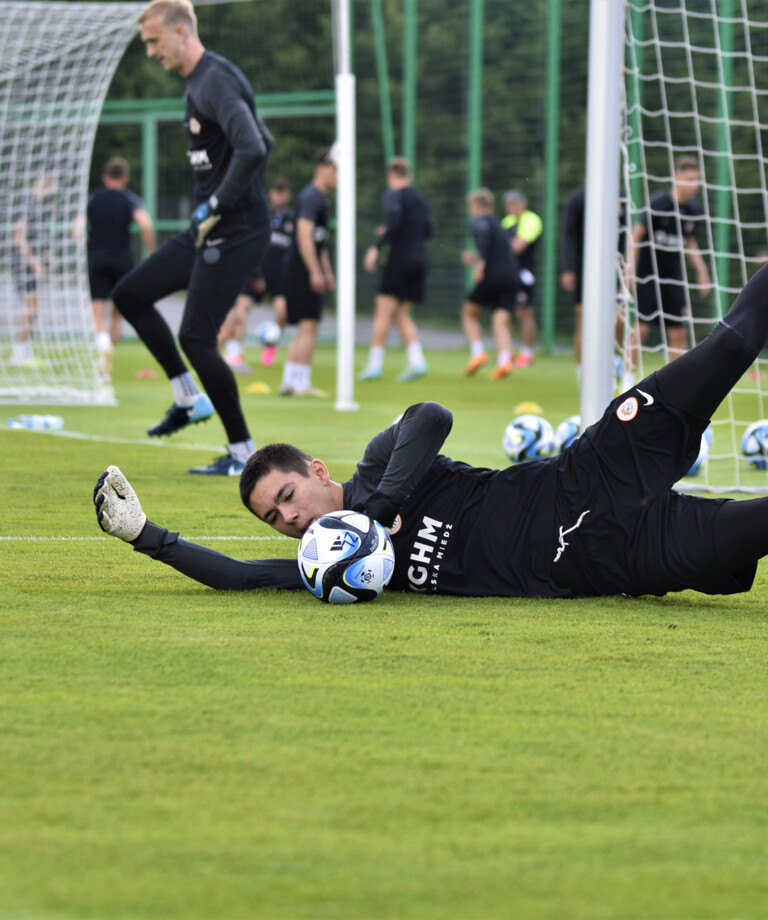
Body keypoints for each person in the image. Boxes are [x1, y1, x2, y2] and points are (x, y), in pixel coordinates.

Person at [95, 260, 768, 599]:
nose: (290, 520)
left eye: (288, 497)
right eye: (275, 518)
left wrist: (382, 505)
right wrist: (147, 537)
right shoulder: (334, 566)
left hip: (598, 468)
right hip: (620, 558)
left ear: (318, 472)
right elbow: (243, 578)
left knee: (732, 346)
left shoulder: (379, 467)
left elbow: (431, 418)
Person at [111, 0, 274, 476]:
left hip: (235, 228)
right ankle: (187, 397)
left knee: (197, 337)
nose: (149, 51)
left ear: (181, 33)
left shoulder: (216, 79)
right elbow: (264, 139)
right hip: (209, 227)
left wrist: (219, 203)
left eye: (153, 41)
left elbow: (254, 145)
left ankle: (244, 454)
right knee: (130, 293)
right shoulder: (198, 83)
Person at [629, 155, 712, 361]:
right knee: (642, 329)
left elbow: (689, 242)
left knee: (678, 332)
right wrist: (629, 269)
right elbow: (636, 235)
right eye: (689, 179)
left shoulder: (693, 209)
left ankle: (675, 385)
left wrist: (702, 272)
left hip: (674, 277)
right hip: (648, 275)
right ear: (677, 178)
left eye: (697, 180)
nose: (694, 185)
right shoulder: (658, 204)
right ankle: (626, 379)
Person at [359, 156, 431, 383]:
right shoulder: (419, 198)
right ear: (408, 175)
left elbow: (396, 222)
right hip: (419, 261)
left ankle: (374, 365)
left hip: (400, 260)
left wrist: (377, 245)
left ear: (391, 175)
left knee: (382, 310)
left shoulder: (393, 195)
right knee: (400, 313)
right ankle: (418, 361)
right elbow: (428, 229)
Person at [85, 157, 156, 376]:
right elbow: (146, 225)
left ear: (105, 177)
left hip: (97, 258)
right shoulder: (130, 199)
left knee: (98, 314)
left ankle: (103, 347)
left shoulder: (93, 198)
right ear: (125, 177)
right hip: (123, 260)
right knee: (117, 314)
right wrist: (151, 253)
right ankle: (108, 359)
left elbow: (77, 230)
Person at [218, 177, 293, 374]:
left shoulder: (291, 219)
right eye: (276, 192)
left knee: (282, 312)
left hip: (279, 275)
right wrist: (255, 272)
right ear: (270, 194)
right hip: (255, 272)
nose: (279, 196)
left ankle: (270, 343)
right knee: (240, 312)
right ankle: (233, 354)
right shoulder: (261, 215)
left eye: (283, 192)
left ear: (288, 195)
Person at [278, 147, 337, 398]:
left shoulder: (324, 200)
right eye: (336, 171)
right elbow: (304, 236)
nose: (339, 177)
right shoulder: (311, 196)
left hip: (309, 268)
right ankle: (300, 383)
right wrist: (314, 272)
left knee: (306, 326)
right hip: (301, 268)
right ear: (323, 168)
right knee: (310, 325)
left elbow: (320, 241)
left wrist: (327, 271)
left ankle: (290, 381)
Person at [461, 188, 520, 380]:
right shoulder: (498, 224)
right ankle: (504, 361)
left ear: (476, 206)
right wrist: (477, 259)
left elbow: (484, 239)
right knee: (500, 319)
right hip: (511, 276)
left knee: (469, 312)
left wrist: (480, 266)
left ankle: (478, 353)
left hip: (492, 275)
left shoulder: (480, 221)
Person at [10, 173, 58, 367]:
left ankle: (24, 351)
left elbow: (35, 238)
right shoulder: (27, 205)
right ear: (44, 184)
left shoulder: (38, 207)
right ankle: (18, 352)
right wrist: (34, 263)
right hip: (22, 263)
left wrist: (46, 255)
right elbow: (18, 238)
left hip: (30, 262)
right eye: (53, 186)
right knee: (30, 306)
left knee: (33, 307)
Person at [501, 190, 542, 368]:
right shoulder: (507, 222)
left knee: (523, 311)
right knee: (505, 311)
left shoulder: (531, 219)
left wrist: (500, 248)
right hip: (507, 272)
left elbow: (518, 246)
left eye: (514, 205)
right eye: (509, 205)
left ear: (523, 204)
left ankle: (527, 352)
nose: (511, 208)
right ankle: (508, 351)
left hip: (524, 273)